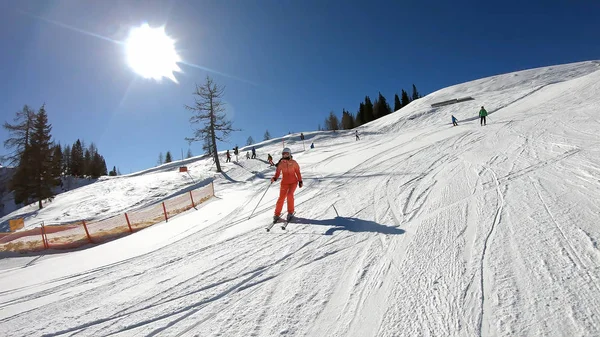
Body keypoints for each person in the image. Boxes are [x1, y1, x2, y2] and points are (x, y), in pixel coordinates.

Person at [271, 148, 302, 222]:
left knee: (289, 195)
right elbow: (278, 172)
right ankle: (276, 214)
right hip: (284, 183)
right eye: (283, 154)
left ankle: (290, 212)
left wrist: (300, 181)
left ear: (289, 154)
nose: (285, 155)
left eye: (286, 154)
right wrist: (275, 178)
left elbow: (297, 172)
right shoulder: (281, 163)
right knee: (281, 198)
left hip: (293, 182)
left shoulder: (294, 163)